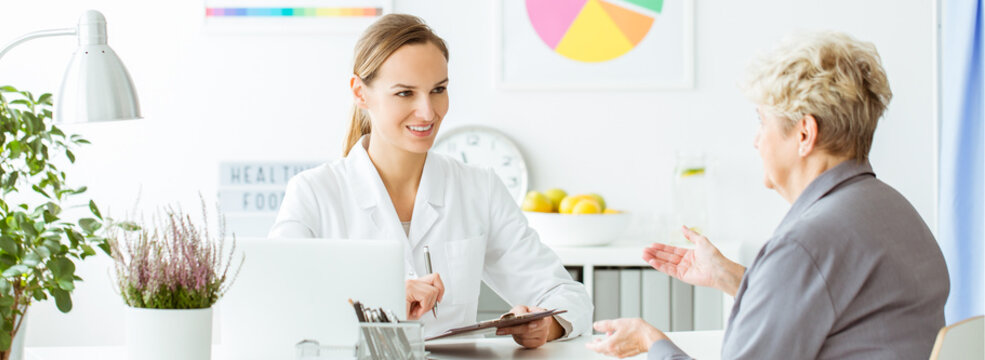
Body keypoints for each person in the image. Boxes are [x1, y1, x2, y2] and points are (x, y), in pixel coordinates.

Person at [586, 31, 950, 359]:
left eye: (762, 120)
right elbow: (846, 312)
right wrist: (733, 277)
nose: (756, 140)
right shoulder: (896, 213)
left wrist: (653, 342)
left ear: (804, 134)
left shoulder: (805, 245)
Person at [269, 14, 592, 348]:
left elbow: (568, 296)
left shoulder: (479, 188)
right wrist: (381, 297)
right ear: (360, 93)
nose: (427, 112)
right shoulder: (313, 193)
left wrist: (548, 324)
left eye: (438, 90)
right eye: (405, 93)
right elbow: (275, 304)